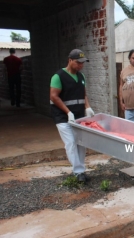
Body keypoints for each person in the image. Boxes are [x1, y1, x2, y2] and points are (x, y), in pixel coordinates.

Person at [49, 49, 95, 182]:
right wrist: (68, 112)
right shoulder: (58, 76)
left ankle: (81, 170)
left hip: (79, 116)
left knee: (81, 143)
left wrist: (88, 107)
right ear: (70, 60)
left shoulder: (81, 77)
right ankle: (78, 171)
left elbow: (83, 94)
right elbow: (54, 96)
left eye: (82, 63)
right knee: (70, 143)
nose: (81, 65)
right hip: (63, 117)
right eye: (78, 62)